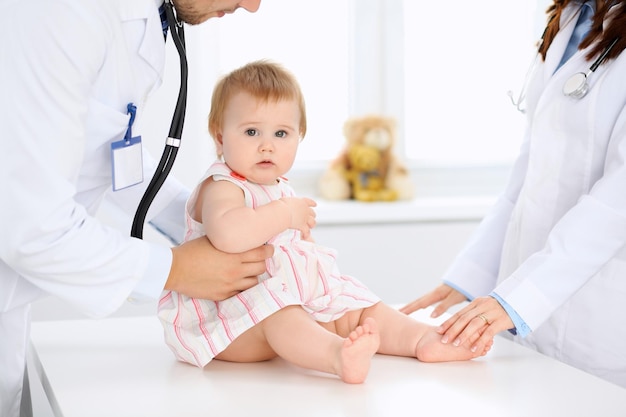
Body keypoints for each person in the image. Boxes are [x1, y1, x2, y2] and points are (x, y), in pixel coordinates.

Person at [0, 1, 273, 416]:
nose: (252, 5)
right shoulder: (65, 12)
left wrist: (206, 214)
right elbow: (32, 227)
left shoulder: (141, 18)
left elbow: (106, 151)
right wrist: (177, 268)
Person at [157, 60, 492, 384]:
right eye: (251, 131)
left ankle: (422, 339)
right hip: (227, 322)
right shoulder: (223, 185)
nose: (267, 145)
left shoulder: (278, 187)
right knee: (280, 312)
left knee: (357, 304)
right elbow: (228, 235)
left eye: (282, 133)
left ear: (300, 136)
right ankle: (337, 356)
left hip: (288, 305)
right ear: (219, 137)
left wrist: (321, 278)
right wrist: (286, 214)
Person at [401, 0, 626, 388]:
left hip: (599, 322)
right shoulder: (571, 19)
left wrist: (520, 298)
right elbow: (530, 174)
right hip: (524, 314)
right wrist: (471, 276)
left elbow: (616, 202)